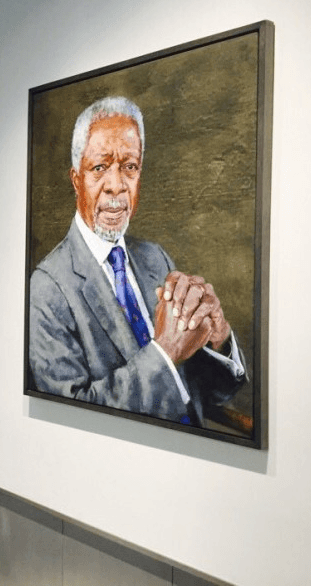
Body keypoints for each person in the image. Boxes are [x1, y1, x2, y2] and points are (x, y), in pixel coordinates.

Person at [29, 96, 246, 426]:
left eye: (129, 167)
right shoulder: (47, 286)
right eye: (100, 168)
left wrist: (217, 339)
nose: (116, 186)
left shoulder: (155, 258)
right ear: (76, 180)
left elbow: (203, 390)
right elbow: (70, 415)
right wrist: (166, 351)